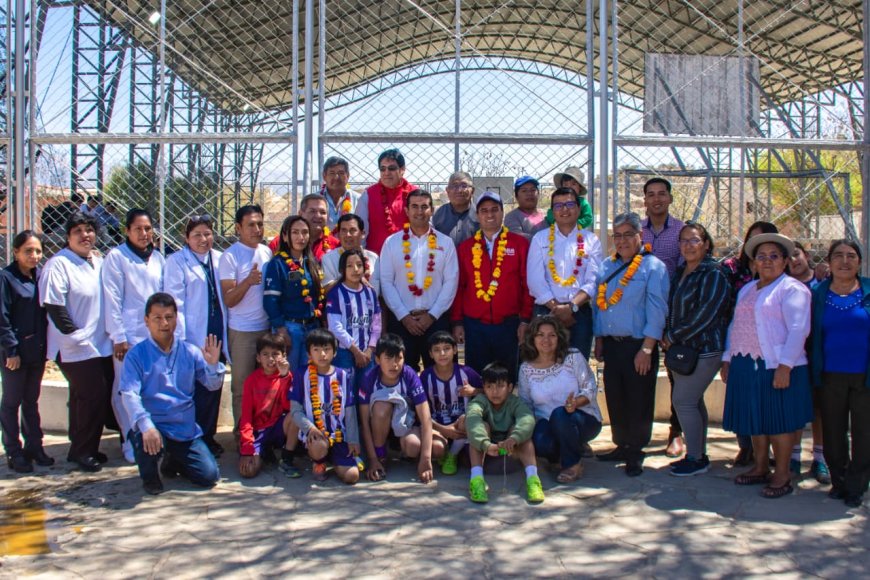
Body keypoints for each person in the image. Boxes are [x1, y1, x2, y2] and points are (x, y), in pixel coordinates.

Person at [721, 232, 813, 499]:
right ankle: (760, 466)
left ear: (785, 261)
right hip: (745, 363)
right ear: (754, 262)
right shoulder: (748, 289)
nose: (768, 261)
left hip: (778, 367)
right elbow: (735, 325)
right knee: (756, 419)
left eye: (774, 256)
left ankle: (782, 473)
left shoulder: (792, 289)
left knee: (779, 422)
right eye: (762, 257)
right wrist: (728, 357)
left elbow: (798, 329)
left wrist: (785, 366)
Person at [119, 293, 225, 495]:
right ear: (146, 321)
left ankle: (173, 459)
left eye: (169, 317)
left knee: (209, 476)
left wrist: (212, 365)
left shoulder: (190, 351)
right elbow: (129, 395)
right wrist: (146, 425)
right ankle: (150, 477)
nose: (164, 323)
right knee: (143, 436)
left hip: (183, 427)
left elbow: (212, 385)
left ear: (177, 319)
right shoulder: (136, 355)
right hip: (153, 425)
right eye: (157, 318)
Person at [593, 211, 669, 477]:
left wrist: (647, 348)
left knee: (639, 398)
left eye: (628, 235)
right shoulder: (606, 266)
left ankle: (636, 450)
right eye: (618, 235)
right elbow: (599, 306)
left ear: (640, 236)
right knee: (615, 395)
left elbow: (657, 310)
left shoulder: (653, 267)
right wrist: (599, 338)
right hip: (612, 345)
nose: (622, 240)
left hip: (639, 345)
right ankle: (621, 444)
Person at [39, 212, 115, 472]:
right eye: (78, 231)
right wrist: (76, 336)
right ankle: (84, 450)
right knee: (93, 395)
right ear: (68, 236)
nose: (85, 235)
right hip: (74, 346)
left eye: (90, 230)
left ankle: (81, 447)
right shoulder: (58, 265)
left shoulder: (98, 260)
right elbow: (54, 306)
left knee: (86, 396)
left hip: (99, 343)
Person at [662, 222, 732, 476]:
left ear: (706, 244)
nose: (688, 246)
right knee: (693, 401)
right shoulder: (681, 272)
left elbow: (706, 314)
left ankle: (695, 457)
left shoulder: (713, 273)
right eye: (683, 241)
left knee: (683, 401)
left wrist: (672, 335)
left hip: (704, 349)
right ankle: (699, 454)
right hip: (683, 350)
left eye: (694, 240)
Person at [102, 208, 165, 463]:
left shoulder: (159, 258)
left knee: (152, 390)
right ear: (127, 231)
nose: (144, 233)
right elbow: (112, 298)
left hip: (156, 336)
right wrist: (119, 336)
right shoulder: (116, 257)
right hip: (128, 337)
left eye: (148, 228)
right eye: (138, 228)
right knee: (127, 390)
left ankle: (152, 438)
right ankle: (130, 440)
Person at [164, 214, 230, 457]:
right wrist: (179, 341)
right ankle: (190, 437)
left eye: (207, 233)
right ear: (186, 238)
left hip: (216, 331)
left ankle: (208, 436)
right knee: (192, 389)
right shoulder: (176, 262)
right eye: (197, 235)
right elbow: (175, 304)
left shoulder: (220, 259)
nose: (203, 239)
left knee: (213, 386)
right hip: (192, 335)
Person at [811, 239, 870, 508]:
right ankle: (839, 481)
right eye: (838, 256)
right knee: (833, 433)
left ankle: (856, 486)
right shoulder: (818, 294)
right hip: (830, 375)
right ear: (829, 262)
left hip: (865, 377)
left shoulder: (868, 291)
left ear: (859, 262)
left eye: (851, 256)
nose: (844, 261)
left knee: (864, 433)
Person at [451, 191, 532, 382]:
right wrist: (457, 322)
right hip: (475, 325)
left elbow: (527, 284)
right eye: (484, 210)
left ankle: (506, 412)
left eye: (495, 210)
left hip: (509, 325)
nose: (490, 215)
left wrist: (525, 320)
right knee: (477, 377)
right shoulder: (465, 248)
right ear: (477, 215)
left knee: (507, 377)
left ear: (503, 212)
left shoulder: (519, 244)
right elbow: (459, 287)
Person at [720, 220, 779, 465]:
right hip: (738, 339)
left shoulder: (779, 275)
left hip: (770, 347)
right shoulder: (732, 269)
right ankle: (746, 447)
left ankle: (776, 455)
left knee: (769, 403)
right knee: (743, 399)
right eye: (753, 240)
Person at [379, 189, 459, 370]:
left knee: (441, 372)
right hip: (401, 321)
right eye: (414, 206)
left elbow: (451, 282)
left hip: (435, 319)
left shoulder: (445, 243)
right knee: (400, 372)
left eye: (424, 207)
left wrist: (432, 316)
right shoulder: (392, 242)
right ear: (406, 211)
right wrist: (404, 316)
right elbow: (386, 282)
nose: (419, 211)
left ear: (432, 210)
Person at [518, 316, 602, 483]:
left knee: (559, 414)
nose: (546, 340)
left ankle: (573, 464)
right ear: (532, 338)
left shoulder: (573, 357)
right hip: (546, 421)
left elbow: (590, 388)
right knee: (539, 441)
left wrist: (576, 403)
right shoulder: (526, 368)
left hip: (581, 419)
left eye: (552, 335)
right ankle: (560, 456)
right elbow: (525, 403)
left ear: (560, 338)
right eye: (540, 335)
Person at [640, 177, 686, 459]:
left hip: (671, 314)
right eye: (651, 195)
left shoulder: (681, 232)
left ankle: (676, 433)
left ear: (670, 198)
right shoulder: (636, 232)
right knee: (641, 372)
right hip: (639, 315)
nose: (656, 199)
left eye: (661, 194)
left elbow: (684, 274)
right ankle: (638, 433)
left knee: (677, 375)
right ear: (644, 200)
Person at [528, 187, 603, 360]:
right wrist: (557, 309)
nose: (564, 209)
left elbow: (593, 280)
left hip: (579, 313)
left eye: (569, 204)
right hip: (546, 311)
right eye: (558, 205)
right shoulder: (540, 239)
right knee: (546, 365)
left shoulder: (591, 240)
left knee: (576, 365)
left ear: (578, 209)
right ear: (552, 211)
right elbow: (535, 280)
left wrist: (571, 308)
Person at [219, 204, 273, 435]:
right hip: (242, 331)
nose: (257, 229)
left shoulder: (267, 252)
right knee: (241, 386)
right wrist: (248, 281)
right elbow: (229, 299)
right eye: (251, 224)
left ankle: (263, 432)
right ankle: (243, 434)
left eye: (260, 224)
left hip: (266, 329)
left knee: (266, 384)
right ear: (239, 227)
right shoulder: (230, 257)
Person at [0, 232, 51, 473]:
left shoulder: (40, 276)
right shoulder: (6, 279)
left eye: (38, 251)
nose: (34, 256)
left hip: (36, 351)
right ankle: (13, 450)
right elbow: (3, 318)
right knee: (12, 402)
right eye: (28, 251)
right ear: (16, 252)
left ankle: (34, 447)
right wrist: (11, 350)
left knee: (31, 400)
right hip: (15, 354)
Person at [286, 329, 361, 484]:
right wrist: (310, 428)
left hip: (339, 435)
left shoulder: (343, 375)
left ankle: (335, 458)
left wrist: (353, 439)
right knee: (319, 445)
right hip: (315, 433)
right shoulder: (301, 374)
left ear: (334, 353)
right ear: (309, 354)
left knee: (352, 476)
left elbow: (350, 409)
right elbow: (295, 410)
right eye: (316, 350)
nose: (322, 354)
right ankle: (319, 460)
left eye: (327, 349)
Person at [358, 333, 434, 483]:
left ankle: (403, 451)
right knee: (381, 407)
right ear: (378, 359)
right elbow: (365, 422)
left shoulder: (410, 375)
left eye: (398, 358)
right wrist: (372, 459)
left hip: (405, 423)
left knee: (413, 446)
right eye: (388, 358)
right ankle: (381, 455)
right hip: (378, 423)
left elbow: (426, 419)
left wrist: (425, 459)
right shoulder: (369, 378)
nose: (394, 364)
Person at [466, 362, 544, 504]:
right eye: (489, 386)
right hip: (486, 452)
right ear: (483, 387)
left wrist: (513, 439)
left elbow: (527, 419)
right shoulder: (479, 401)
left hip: (511, 451)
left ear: (509, 387)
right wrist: (486, 445)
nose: (495, 392)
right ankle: (476, 480)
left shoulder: (515, 402)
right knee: (480, 427)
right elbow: (472, 420)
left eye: (500, 386)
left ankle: (533, 479)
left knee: (521, 433)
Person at [788, 241, 829, 484]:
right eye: (789, 257)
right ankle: (793, 456)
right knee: (794, 408)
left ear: (806, 255)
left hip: (819, 353)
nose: (794, 261)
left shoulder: (823, 283)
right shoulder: (784, 285)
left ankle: (820, 457)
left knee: (818, 409)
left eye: (797, 255)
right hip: (792, 356)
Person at [264, 215, 324, 372]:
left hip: (312, 328)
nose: (301, 237)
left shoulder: (311, 262)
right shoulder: (277, 264)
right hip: (290, 329)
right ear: (285, 236)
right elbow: (270, 301)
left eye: (305, 232)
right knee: (289, 376)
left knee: (310, 377)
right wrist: (282, 330)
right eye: (295, 232)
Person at [419, 331, 482, 475]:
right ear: (430, 354)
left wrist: (474, 391)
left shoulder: (466, 372)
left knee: (469, 457)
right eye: (436, 350)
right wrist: (442, 429)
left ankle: (452, 455)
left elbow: (489, 392)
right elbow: (420, 411)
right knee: (437, 449)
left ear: (454, 350)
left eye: (446, 348)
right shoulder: (426, 376)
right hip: (437, 424)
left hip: (462, 426)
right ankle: (445, 451)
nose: (442, 353)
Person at [237, 333, 296, 479]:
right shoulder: (251, 381)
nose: (271, 359)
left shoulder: (287, 376)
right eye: (265, 354)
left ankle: (286, 457)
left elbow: (288, 406)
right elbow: (246, 417)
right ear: (258, 358)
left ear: (284, 356)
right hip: (257, 430)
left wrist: (284, 377)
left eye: (275, 354)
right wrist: (247, 448)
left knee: (295, 416)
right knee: (248, 471)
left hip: (277, 427)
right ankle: (263, 451)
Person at [326, 248, 381, 390]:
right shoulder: (336, 293)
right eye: (349, 266)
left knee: (366, 393)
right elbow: (335, 326)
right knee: (346, 392)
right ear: (342, 269)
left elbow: (376, 324)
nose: (355, 269)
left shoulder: (370, 292)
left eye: (359, 265)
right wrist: (355, 351)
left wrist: (370, 349)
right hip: (345, 353)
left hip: (367, 353)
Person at [357, 148, 417, 254]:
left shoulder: (415, 194)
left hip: (410, 259)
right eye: (382, 169)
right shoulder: (368, 195)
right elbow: (360, 232)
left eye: (392, 168)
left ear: (402, 169)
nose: (386, 173)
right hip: (376, 259)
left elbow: (425, 228)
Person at [321, 213, 380, 294]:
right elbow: (326, 290)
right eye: (344, 230)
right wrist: (351, 278)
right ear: (338, 234)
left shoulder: (374, 258)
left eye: (352, 230)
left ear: (362, 234)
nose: (348, 235)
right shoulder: (328, 259)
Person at [431, 171, 478, 246]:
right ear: (447, 190)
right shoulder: (437, 215)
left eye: (464, 186)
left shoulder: (481, 215)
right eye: (454, 186)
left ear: (472, 191)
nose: (459, 190)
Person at [318, 156, 360, 228]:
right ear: (324, 176)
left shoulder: (358, 200)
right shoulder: (315, 200)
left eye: (341, 173)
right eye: (332, 173)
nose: (336, 177)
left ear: (348, 176)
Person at [504, 176, 547, 240]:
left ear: (538, 194)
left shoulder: (547, 215)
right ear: (516, 196)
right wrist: (547, 241)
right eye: (524, 191)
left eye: (533, 190)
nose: (529, 193)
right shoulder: (512, 217)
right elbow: (518, 238)